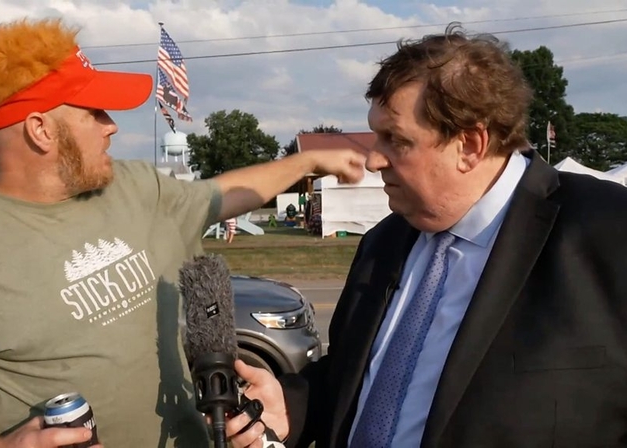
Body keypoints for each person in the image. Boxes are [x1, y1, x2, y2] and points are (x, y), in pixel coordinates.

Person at [0, 18, 366, 448]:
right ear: (40, 130)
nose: (112, 126)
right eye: (94, 112)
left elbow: (221, 195)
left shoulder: (132, 187)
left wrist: (307, 161)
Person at [227, 22, 627, 448]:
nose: (373, 160)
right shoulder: (384, 242)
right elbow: (353, 378)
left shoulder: (605, 230)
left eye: (395, 140)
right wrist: (294, 404)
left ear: (470, 145)